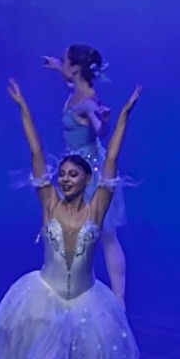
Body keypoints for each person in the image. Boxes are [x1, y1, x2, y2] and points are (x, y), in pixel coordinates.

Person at [0, 78, 140, 359]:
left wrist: (125, 115)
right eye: (62, 174)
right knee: (47, 339)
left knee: (80, 357)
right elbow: (37, 152)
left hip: (85, 297)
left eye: (72, 175)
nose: (65, 179)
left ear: (86, 180)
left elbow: (112, 159)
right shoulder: (49, 202)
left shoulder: (97, 208)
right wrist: (23, 108)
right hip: (46, 293)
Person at [42, 43, 128, 301]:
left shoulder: (87, 101)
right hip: (74, 167)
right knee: (68, 230)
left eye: (65, 61)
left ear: (76, 68)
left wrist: (105, 120)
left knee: (104, 235)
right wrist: (57, 66)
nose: (62, 65)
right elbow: (70, 80)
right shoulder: (76, 89)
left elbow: (101, 129)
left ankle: (119, 299)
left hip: (89, 170)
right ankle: (67, 285)